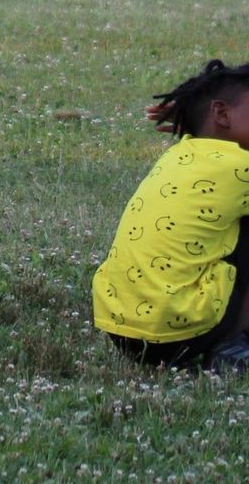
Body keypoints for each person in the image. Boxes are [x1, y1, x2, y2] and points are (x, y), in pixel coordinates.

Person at [93, 60, 249, 373]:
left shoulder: (181, 154)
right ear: (220, 114)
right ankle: (235, 349)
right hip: (177, 334)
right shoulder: (239, 167)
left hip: (121, 329)